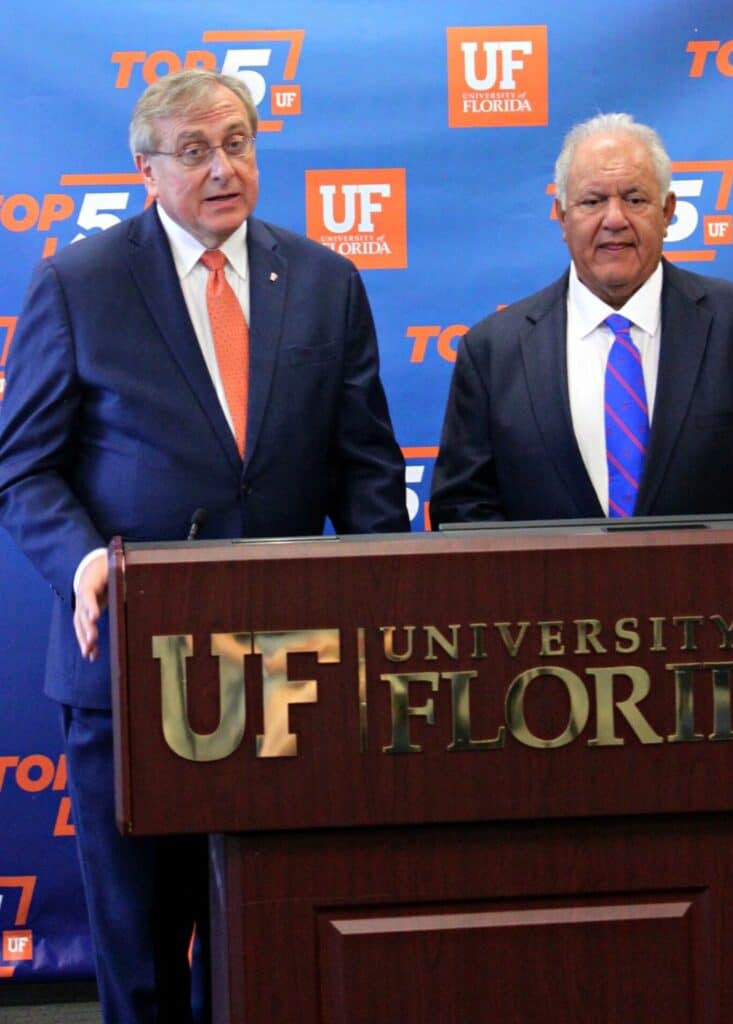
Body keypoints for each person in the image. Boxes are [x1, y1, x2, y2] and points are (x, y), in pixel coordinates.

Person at [0, 69, 409, 1022]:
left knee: (264, 939)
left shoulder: (324, 281)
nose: (223, 167)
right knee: (140, 949)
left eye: (238, 142)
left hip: (287, 674)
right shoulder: (79, 283)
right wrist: (85, 562)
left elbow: (365, 471)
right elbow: (25, 471)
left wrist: (385, 606)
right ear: (146, 170)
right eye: (194, 151)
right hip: (129, 677)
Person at [430, 112, 733, 526]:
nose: (614, 220)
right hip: (547, 590)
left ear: (667, 212)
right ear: (562, 216)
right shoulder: (493, 351)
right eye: (593, 201)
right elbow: (463, 508)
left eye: (635, 199)